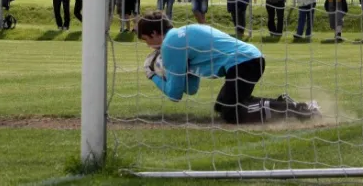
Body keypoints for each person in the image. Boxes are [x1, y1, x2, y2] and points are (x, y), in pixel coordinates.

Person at [137, 11, 321, 124]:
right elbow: (192, 89)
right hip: (248, 60)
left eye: (146, 40)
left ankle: (299, 109)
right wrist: (172, 71)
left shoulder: (170, 45)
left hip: (244, 63)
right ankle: (281, 102)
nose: (148, 46)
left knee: (232, 113)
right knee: (222, 106)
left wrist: (152, 74)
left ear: (154, 33)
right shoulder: (178, 35)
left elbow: (174, 95)